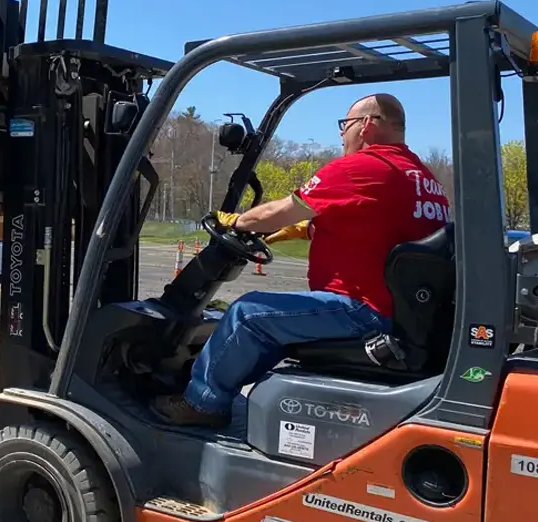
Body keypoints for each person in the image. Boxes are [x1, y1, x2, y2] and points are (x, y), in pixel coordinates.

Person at [151, 93, 450, 428]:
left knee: (248, 314)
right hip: (401, 314)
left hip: (362, 310)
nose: (341, 134)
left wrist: (236, 222)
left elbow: (280, 211)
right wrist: (306, 231)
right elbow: (378, 227)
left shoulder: (364, 167)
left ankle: (203, 403)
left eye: (345, 125)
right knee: (271, 323)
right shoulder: (423, 179)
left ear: (366, 125)